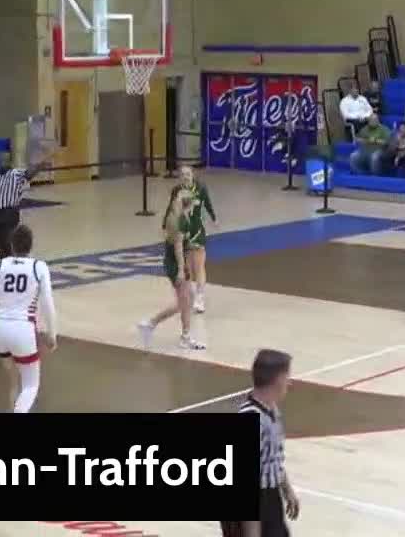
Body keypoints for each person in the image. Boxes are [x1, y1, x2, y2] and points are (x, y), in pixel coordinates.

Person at [0, 224, 57, 413]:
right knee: (31, 385)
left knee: (14, 380)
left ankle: (12, 407)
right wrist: (52, 334)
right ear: (31, 246)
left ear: (12, 245)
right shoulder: (39, 267)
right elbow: (48, 305)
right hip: (22, 330)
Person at [219, 349, 298, 537]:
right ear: (278, 379)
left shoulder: (271, 409)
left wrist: (287, 489)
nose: (290, 382)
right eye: (287, 376)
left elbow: (271, 457)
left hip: (269, 496)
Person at [138, 189, 206, 351]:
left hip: (176, 262)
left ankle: (185, 335)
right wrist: (182, 270)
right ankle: (150, 323)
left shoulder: (175, 217)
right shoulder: (180, 221)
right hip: (176, 264)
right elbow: (178, 248)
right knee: (183, 303)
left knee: (188, 299)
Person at [0, 153, 47, 260]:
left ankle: (8, 263)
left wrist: (39, 167)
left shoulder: (16, 174)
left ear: (10, 161)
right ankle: (0, 263)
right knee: (0, 243)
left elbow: (28, 174)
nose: (3, 162)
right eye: (1, 159)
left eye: (6, 160)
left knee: (7, 243)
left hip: (9, 213)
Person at [171, 166, 216, 314]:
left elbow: (208, 203)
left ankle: (200, 297)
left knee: (199, 265)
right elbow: (171, 209)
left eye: (188, 174)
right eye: (182, 174)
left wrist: (214, 218)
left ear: (192, 175)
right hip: (184, 229)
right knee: (187, 267)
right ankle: (189, 295)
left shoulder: (201, 188)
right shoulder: (177, 190)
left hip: (197, 229)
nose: (185, 176)